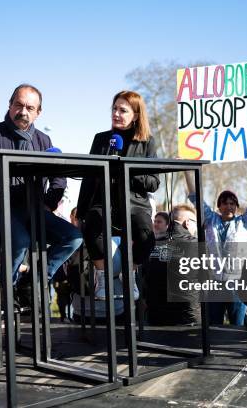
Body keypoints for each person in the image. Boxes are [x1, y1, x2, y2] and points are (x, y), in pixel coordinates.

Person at [0, 84, 82, 285]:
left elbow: (59, 178)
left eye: (30, 108)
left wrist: (50, 203)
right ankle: (7, 288)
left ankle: (34, 281)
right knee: (20, 241)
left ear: (38, 113)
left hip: (35, 211)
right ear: (10, 105)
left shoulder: (44, 140)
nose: (23, 112)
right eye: (18, 105)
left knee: (73, 237)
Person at [76, 90, 159, 298]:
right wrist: (81, 211)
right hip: (104, 203)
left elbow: (154, 182)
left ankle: (129, 275)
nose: (116, 113)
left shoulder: (147, 142)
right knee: (91, 225)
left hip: (134, 205)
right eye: (114, 109)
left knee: (146, 237)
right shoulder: (101, 139)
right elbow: (89, 176)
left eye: (123, 110)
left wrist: (127, 172)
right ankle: (103, 277)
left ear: (136, 115)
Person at [185, 174, 247, 326]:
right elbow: (195, 197)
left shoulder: (244, 222)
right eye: (225, 203)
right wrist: (187, 171)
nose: (229, 206)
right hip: (214, 284)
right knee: (214, 327)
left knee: (237, 327)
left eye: (233, 204)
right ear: (219, 206)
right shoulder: (209, 219)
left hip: (236, 285)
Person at [145, 204, 200, 325]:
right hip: (187, 319)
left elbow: (145, 276)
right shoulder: (196, 244)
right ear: (188, 223)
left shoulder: (152, 244)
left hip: (156, 317)